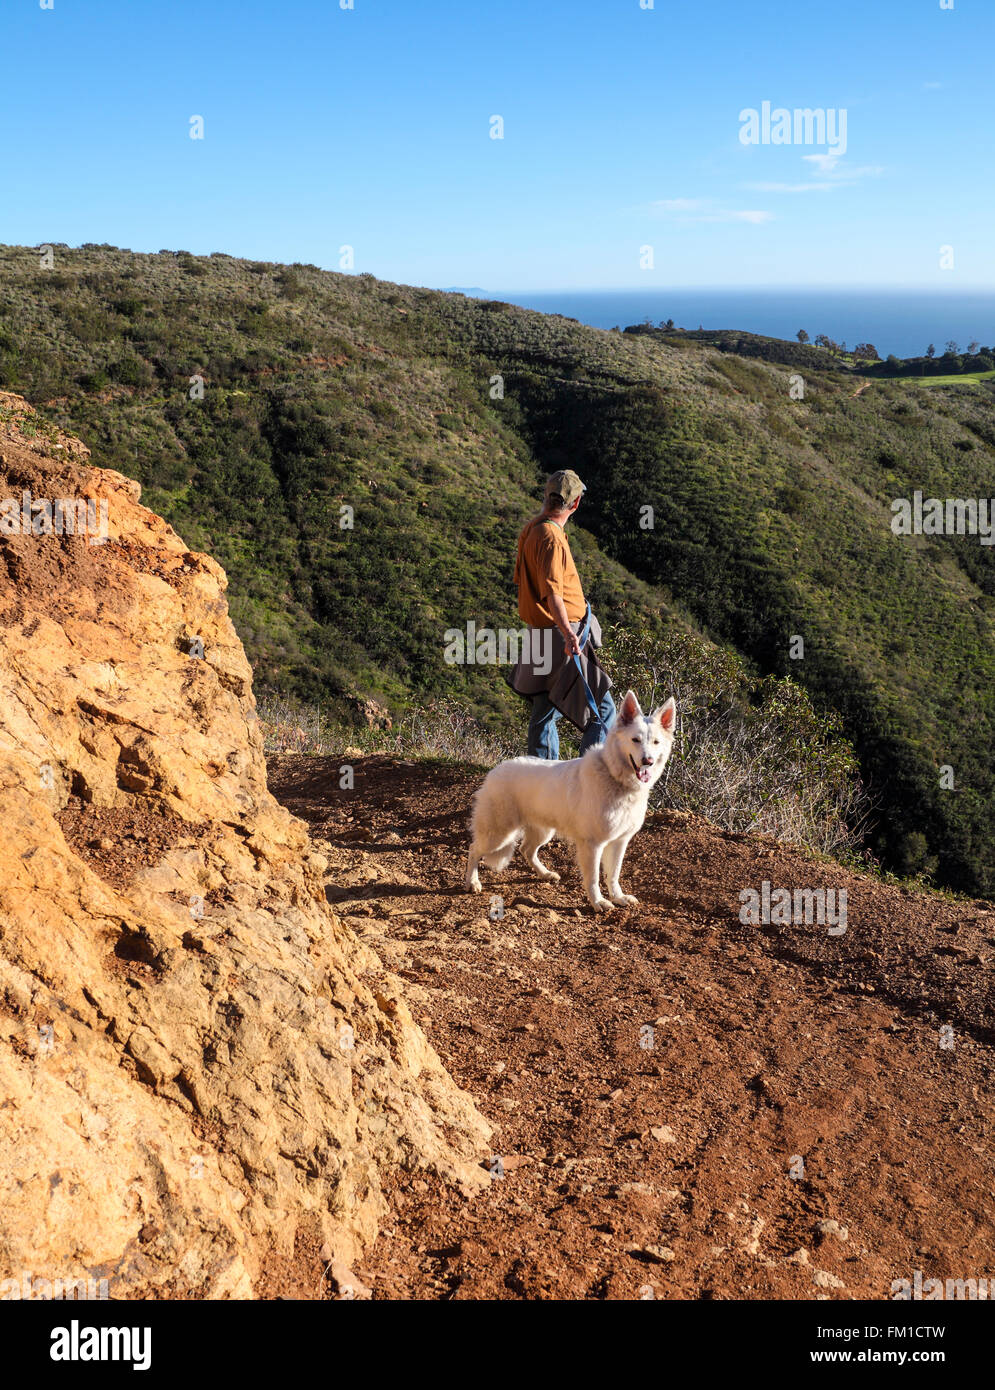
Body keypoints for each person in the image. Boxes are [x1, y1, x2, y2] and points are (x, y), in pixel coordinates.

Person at [506, 469, 616, 759]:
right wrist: (569, 633)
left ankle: (540, 781)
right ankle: (587, 782)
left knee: (544, 711)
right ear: (576, 503)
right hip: (561, 637)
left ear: (546, 494)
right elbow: (552, 594)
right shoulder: (551, 538)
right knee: (604, 712)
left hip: (541, 634)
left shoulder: (532, 529)